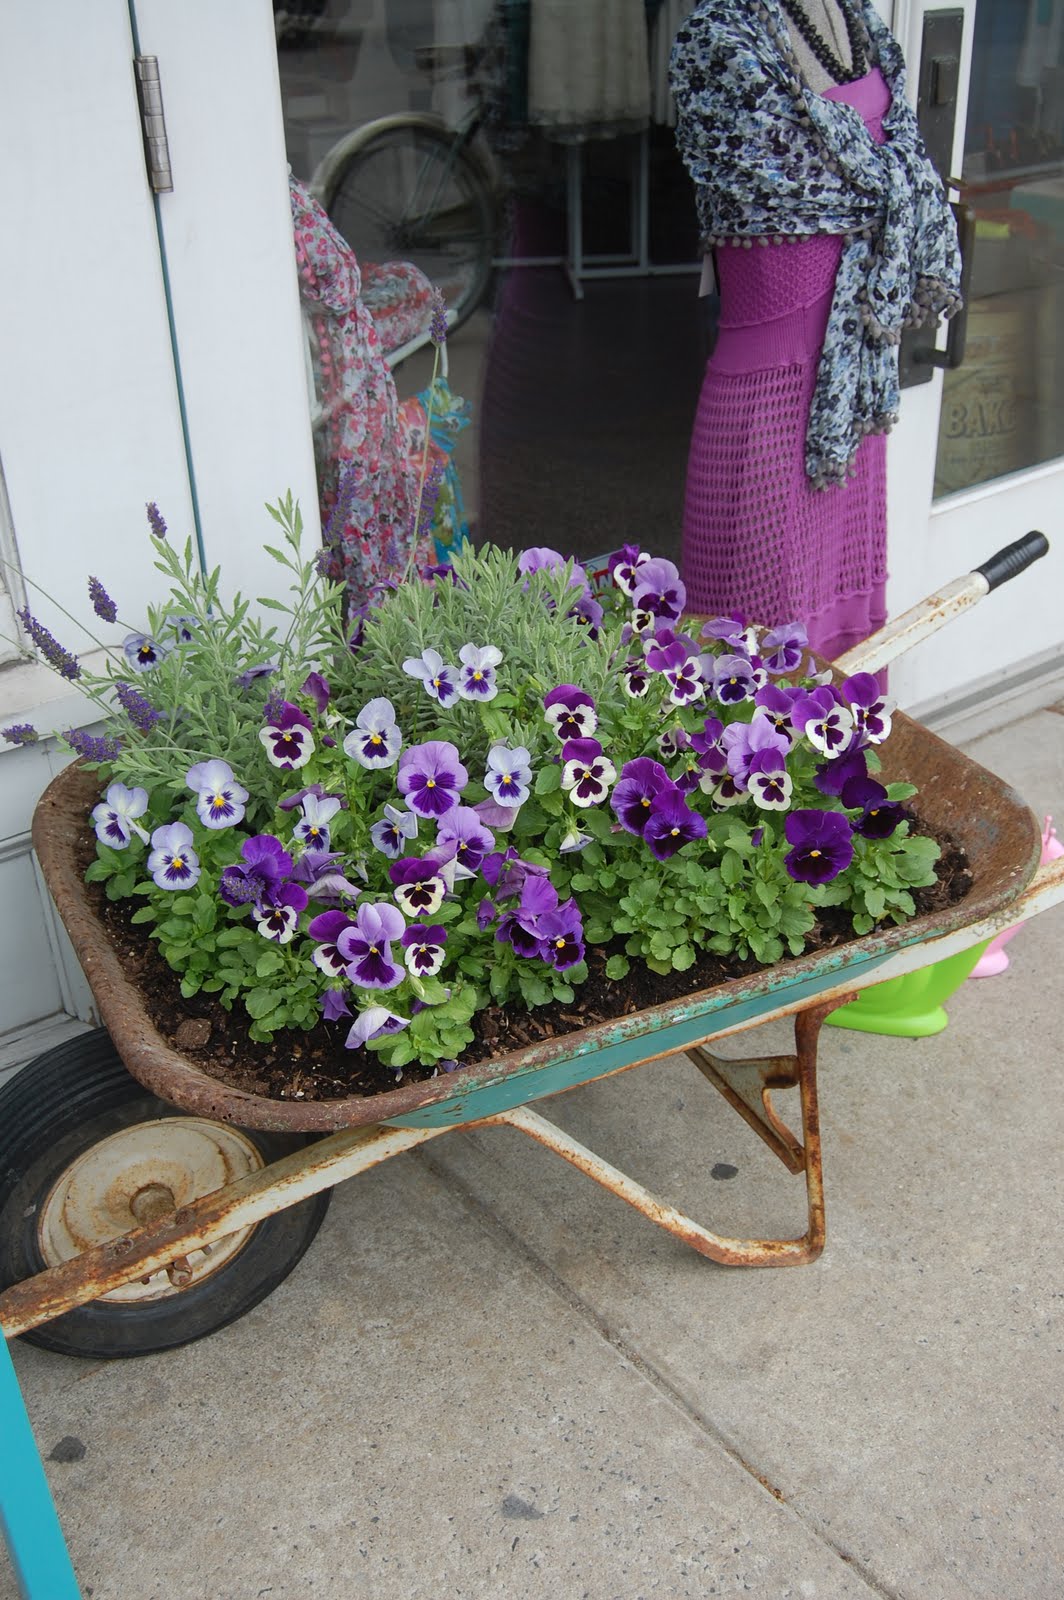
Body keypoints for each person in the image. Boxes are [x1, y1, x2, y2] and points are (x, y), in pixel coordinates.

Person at [670, 0, 962, 658]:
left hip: (851, 405)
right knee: (757, 678)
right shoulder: (720, 41)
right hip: (769, 423)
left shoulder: (856, 18)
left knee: (844, 666)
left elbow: (886, 162)